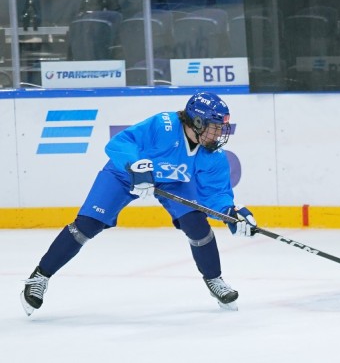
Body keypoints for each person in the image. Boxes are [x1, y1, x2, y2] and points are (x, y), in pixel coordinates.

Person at [20, 91, 256, 315]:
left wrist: (230, 214)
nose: (218, 135)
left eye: (220, 128)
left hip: (172, 181)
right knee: (86, 226)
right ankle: (40, 276)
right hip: (124, 175)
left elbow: (214, 194)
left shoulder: (213, 155)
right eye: (214, 128)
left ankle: (214, 278)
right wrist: (136, 166)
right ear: (196, 122)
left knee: (196, 223)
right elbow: (120, 143)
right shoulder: (163, 125)